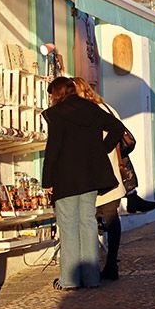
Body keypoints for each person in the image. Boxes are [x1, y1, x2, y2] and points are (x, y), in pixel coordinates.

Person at [42, 77, 124, 290]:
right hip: (90, 176)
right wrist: (101, 150)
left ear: (57, 94)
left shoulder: (56, 115)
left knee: (68, 226)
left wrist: (47, 180)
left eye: (51, 94)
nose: (50, 98)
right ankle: (92, 278)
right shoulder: (91, 109)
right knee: (88, 224)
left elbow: (53, 149)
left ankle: (69, 280)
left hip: (65, 177)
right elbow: (117, 128)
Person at [73, 78, 155, 281]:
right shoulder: (106, 107)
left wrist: (99, 151)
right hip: (112, 174)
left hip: (98, 174)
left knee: (96, 218)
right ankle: (110, 263)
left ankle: (97, 265)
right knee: (110, 219)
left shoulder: (90, 111)